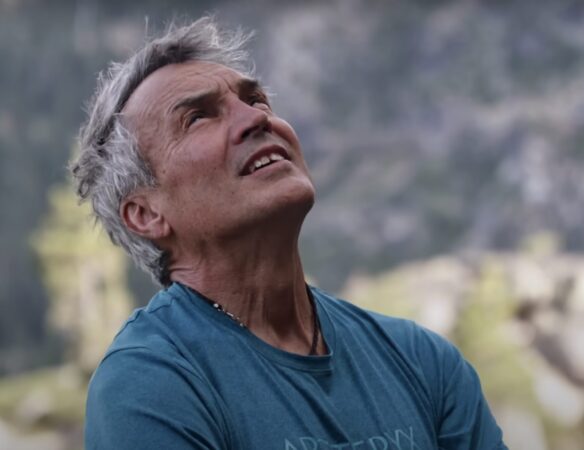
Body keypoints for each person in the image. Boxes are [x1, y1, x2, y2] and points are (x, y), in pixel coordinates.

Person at [73, 17, 508, 450]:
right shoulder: (150, 384)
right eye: (198, 117)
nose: (256, 119)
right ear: (146, 214)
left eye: (256, 100)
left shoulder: (421, 360)